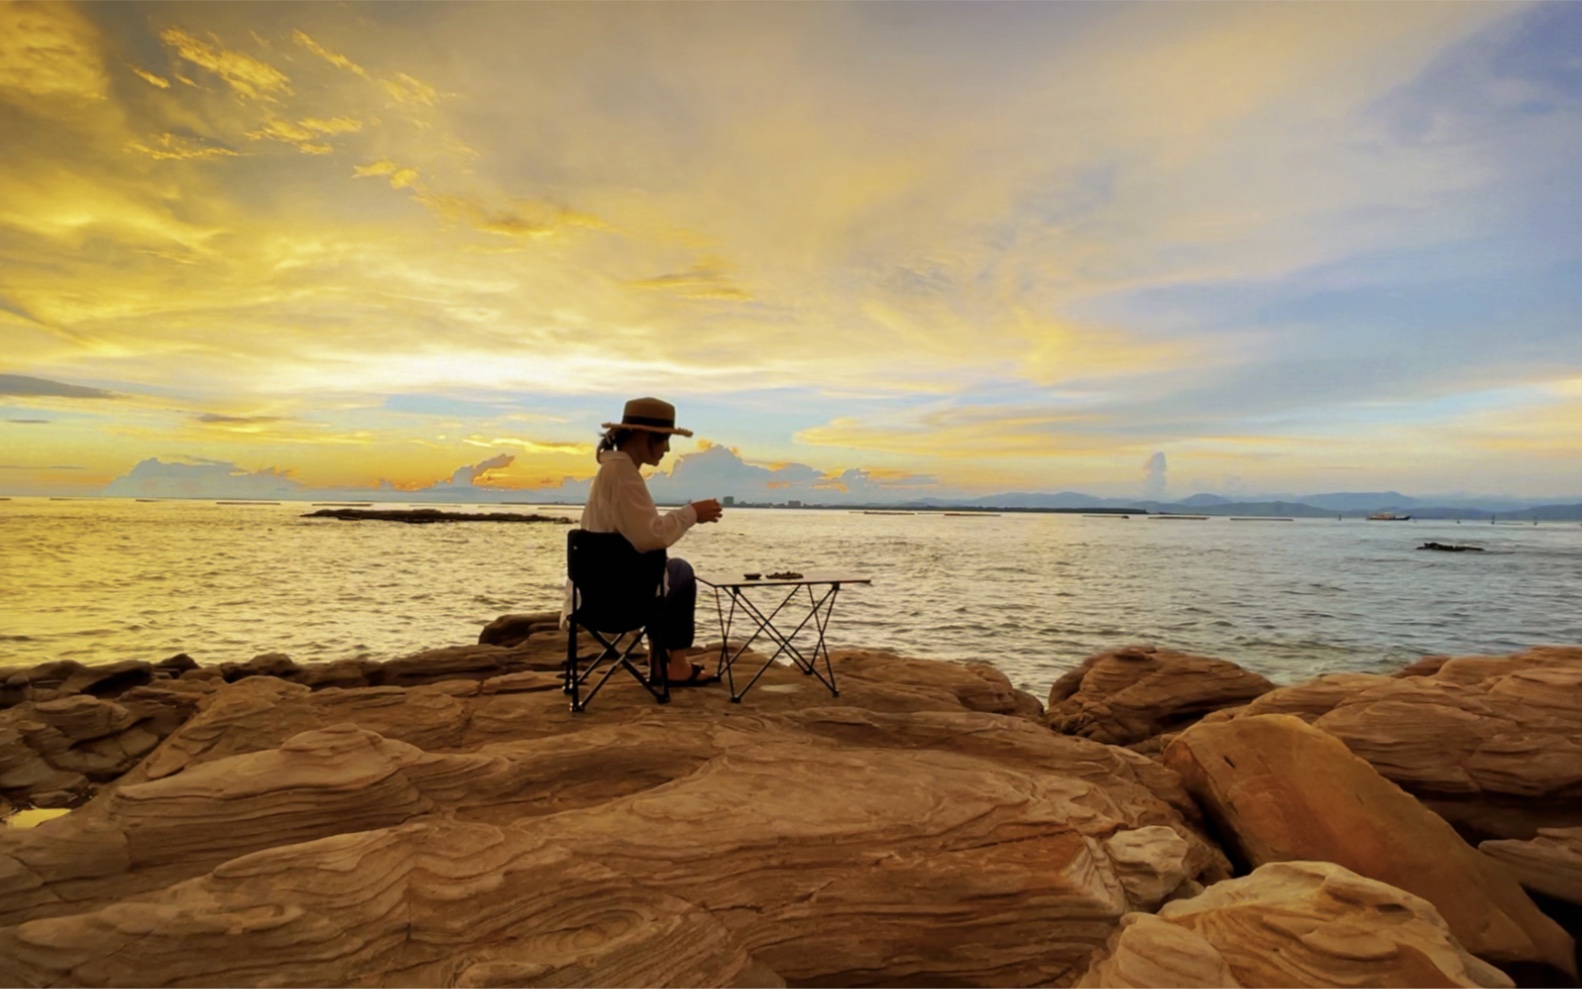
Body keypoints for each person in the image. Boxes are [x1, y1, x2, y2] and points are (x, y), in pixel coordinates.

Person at [572, 396, 723, 686]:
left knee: (663, 572)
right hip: (622, 600)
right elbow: (650, 537)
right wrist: (692, 513)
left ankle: (659, 661)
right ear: (643, 435)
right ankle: (674, 664)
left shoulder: (611, 472)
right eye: (665, 439)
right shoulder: (624, 476)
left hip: (592, 598)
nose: (667, 449)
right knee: (679, 571)